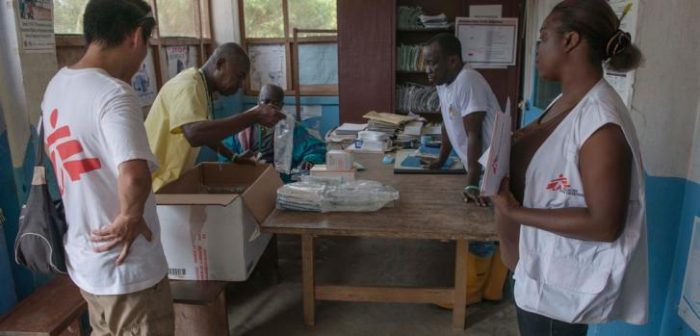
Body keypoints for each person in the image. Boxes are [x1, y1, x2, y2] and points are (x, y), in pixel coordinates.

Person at [490, 0, 647, 334]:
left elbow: (604, 225)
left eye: (543, 37)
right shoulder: (564, 102)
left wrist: (514, 212)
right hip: (533, 270)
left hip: (559, 290)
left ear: (570, 40)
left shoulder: (601, 125)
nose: (537, 48)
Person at [40, 0, 173, 334]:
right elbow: (134, 174)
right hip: (127, 270)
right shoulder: (113, 93)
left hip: (87, 261)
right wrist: (129, 217)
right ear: (136, 36)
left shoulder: (57, 86)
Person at [145, 43, 285, 191]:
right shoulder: (189, 86)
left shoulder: (202, 88)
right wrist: (252, 116)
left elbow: (207, 133)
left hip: (170, 180)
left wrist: (233, 156)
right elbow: (195, 134)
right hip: (154, 183)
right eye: (239, 76)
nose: (240, 85)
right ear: (220, 64)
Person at [421, 33, 500, 206]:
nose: (427, 70)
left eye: (433, 63)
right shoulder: (443, 82)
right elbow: (448, 123)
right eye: (426, 63)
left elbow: (474, 134)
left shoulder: (468, 79)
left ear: (452, 61)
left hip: (491, 172)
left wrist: (472, 183)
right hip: (476, 169)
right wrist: (441, 159)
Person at [221, 84, 326, 182]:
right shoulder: (242, 127)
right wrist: (236, 159)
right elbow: (224, 153)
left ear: (282, 105)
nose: (270, 107)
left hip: (281, 180)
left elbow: (317, 148)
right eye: (265, 102)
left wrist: (309, 160)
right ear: (258, 102)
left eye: (275, 103)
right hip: (247, 179)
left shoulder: (292, 128)